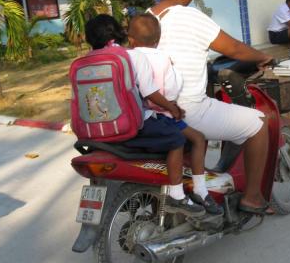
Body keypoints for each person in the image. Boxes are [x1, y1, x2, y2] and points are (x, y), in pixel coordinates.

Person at [149, 0, 274, 215]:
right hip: (188, 110)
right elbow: (235, 49)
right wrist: (263, 57)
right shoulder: (190, 16)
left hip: (153, 111)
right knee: (259, 124)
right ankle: (252, 197)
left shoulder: (146, 20)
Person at [84, 14, 205, 218]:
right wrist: (172, 108)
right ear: (121, 34)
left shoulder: (85, 62)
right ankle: (176, 197)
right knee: (177, 139)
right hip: (129, 126)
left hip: (95, 131)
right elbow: (150, 93)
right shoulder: (131, 56)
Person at [127, 13, 221, 214]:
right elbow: (172, 89)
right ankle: (198, 190)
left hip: (132, 117)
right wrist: (173, 107)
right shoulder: (162, 58)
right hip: (159, 116)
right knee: (197, 138)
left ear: (130, 39)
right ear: (158, 40)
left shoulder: (125, 57)